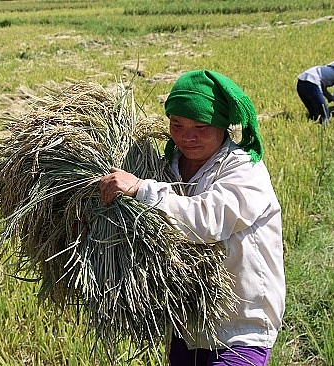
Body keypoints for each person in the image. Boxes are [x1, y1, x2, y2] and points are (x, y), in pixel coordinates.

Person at [98, 70, 286, 366]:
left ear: (224, 126)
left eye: (201, 126)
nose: (187, 136)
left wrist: (141, 189)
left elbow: (206, 220)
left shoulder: (246, 170)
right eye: (177, 125)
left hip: (240, 329)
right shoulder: (164, 168)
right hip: (186, 327)